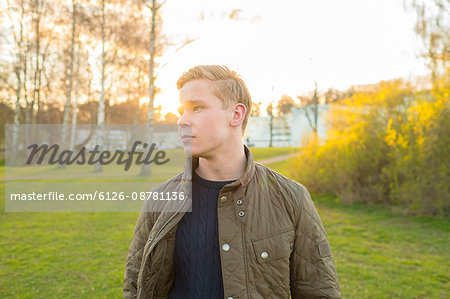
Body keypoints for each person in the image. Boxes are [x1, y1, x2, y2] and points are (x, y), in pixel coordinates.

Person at [123, 65, 341, 298]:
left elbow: (320, 291)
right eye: (181, 111)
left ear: (236, 114)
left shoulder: (292, 198)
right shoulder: (160, 199)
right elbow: (135, 287)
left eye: (197, 108)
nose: (182, 121)